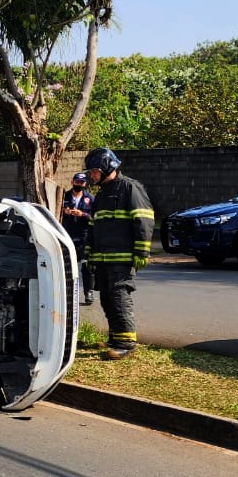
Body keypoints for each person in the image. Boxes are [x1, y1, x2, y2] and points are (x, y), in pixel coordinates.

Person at [85, 148, 154, 360]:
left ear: (108, 167)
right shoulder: (102, 193)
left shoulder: (129, 188)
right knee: (107, 297)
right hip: (103, 258)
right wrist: (90, 252)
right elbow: (93, 225)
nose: (92, 175)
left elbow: (143, 219)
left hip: (122, 257)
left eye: (95, 171)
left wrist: (142, 250)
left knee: (118, 296)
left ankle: (125, 342)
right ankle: (115, 337)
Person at [61, 171, 95, 305]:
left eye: (81, 182)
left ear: (85, 184)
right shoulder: (64, 196)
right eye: (77, 182)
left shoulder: (90, 199)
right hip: (68, 234)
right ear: (72, 182)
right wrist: (65, 212)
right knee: (68, 266)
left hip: (84, 235)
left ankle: (88, 292)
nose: (79, 184)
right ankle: (68, 293)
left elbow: (95, 217)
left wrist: (82, 214)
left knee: (87, 266)